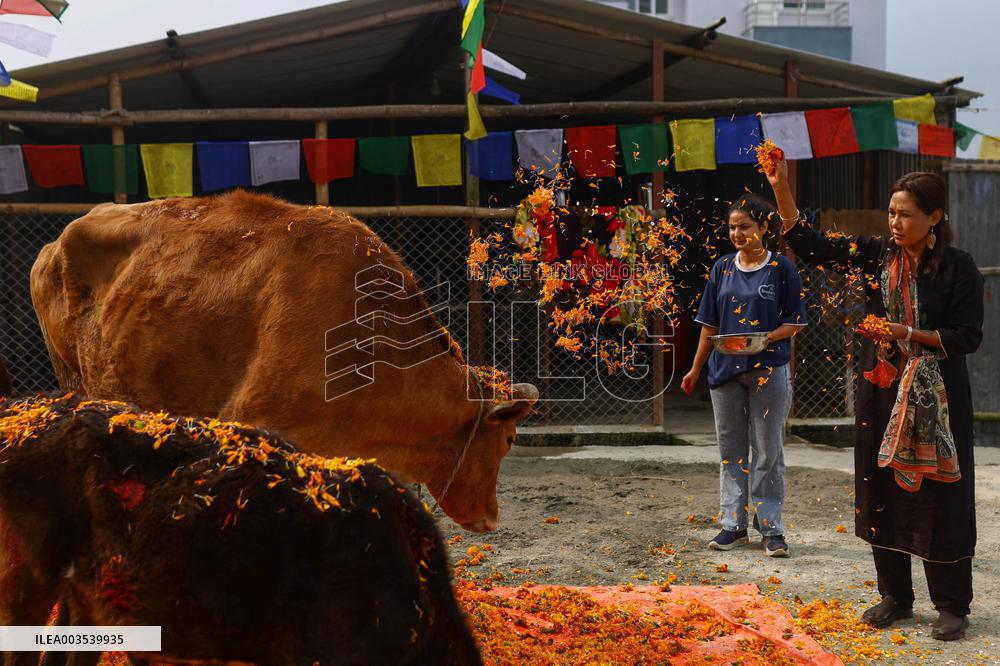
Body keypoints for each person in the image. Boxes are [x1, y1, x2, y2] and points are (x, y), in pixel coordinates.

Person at [767, 159, 984, 641]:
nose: (895, 222)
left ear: (935, 217)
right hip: (883, 390)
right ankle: (895, 597)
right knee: (883, 486)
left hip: (937, 401)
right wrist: (781, 189)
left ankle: (951, 605)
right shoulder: (875, 255)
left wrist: (908, 332)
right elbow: (812, 245)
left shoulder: (958, 267)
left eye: (906, 214)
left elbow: (968, 335)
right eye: (891, 213)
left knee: (939, 494)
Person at [682, 193, 807, 558]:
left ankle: (771, 528)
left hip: (769, 371)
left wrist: (766, 337)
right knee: (730, 450)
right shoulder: (722, 267)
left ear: (765, 227)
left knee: (768, 449)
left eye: (745, 227)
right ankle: (732, 525)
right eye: (732, 227)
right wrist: (694, 367)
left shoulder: (781, 268)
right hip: (725, 371)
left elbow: (795, 322)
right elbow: (709, 324)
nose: (737, 233)